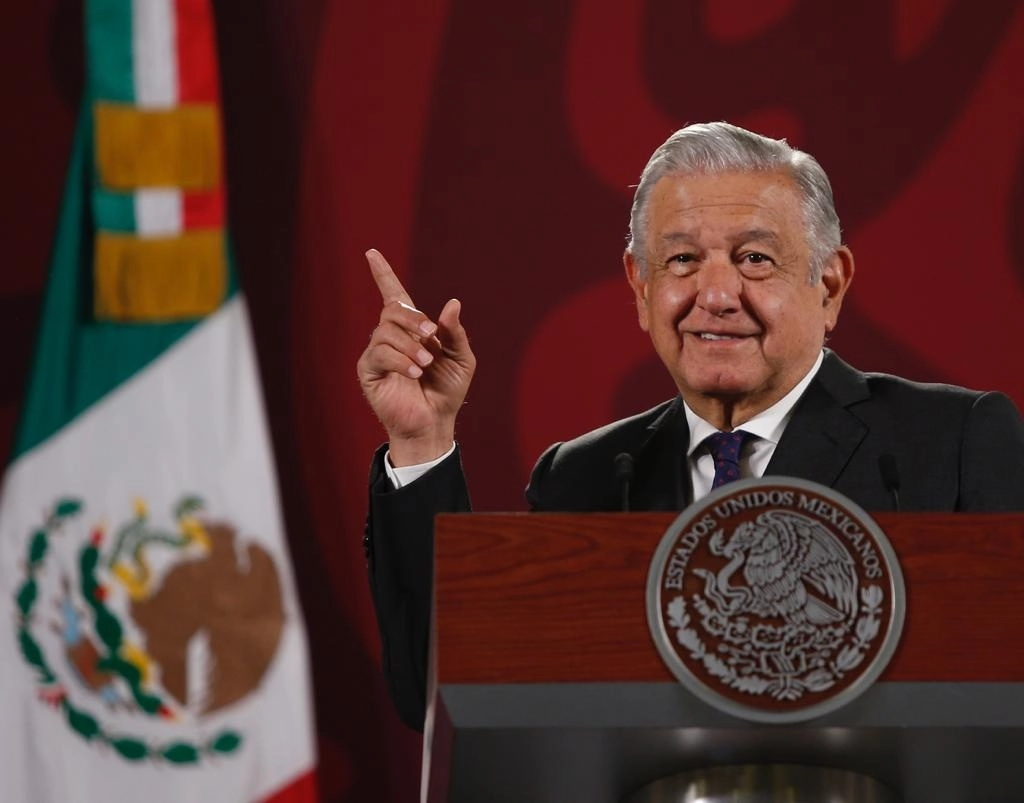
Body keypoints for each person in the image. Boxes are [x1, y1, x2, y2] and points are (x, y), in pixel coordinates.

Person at [357, 121, 1024, 730]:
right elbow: (442, 696)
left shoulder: (952, 442)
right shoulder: (587, 477)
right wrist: (422, 441)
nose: (715, 294)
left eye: (755, 258)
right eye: (680, 261)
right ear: (640, 289)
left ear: (829, 284)